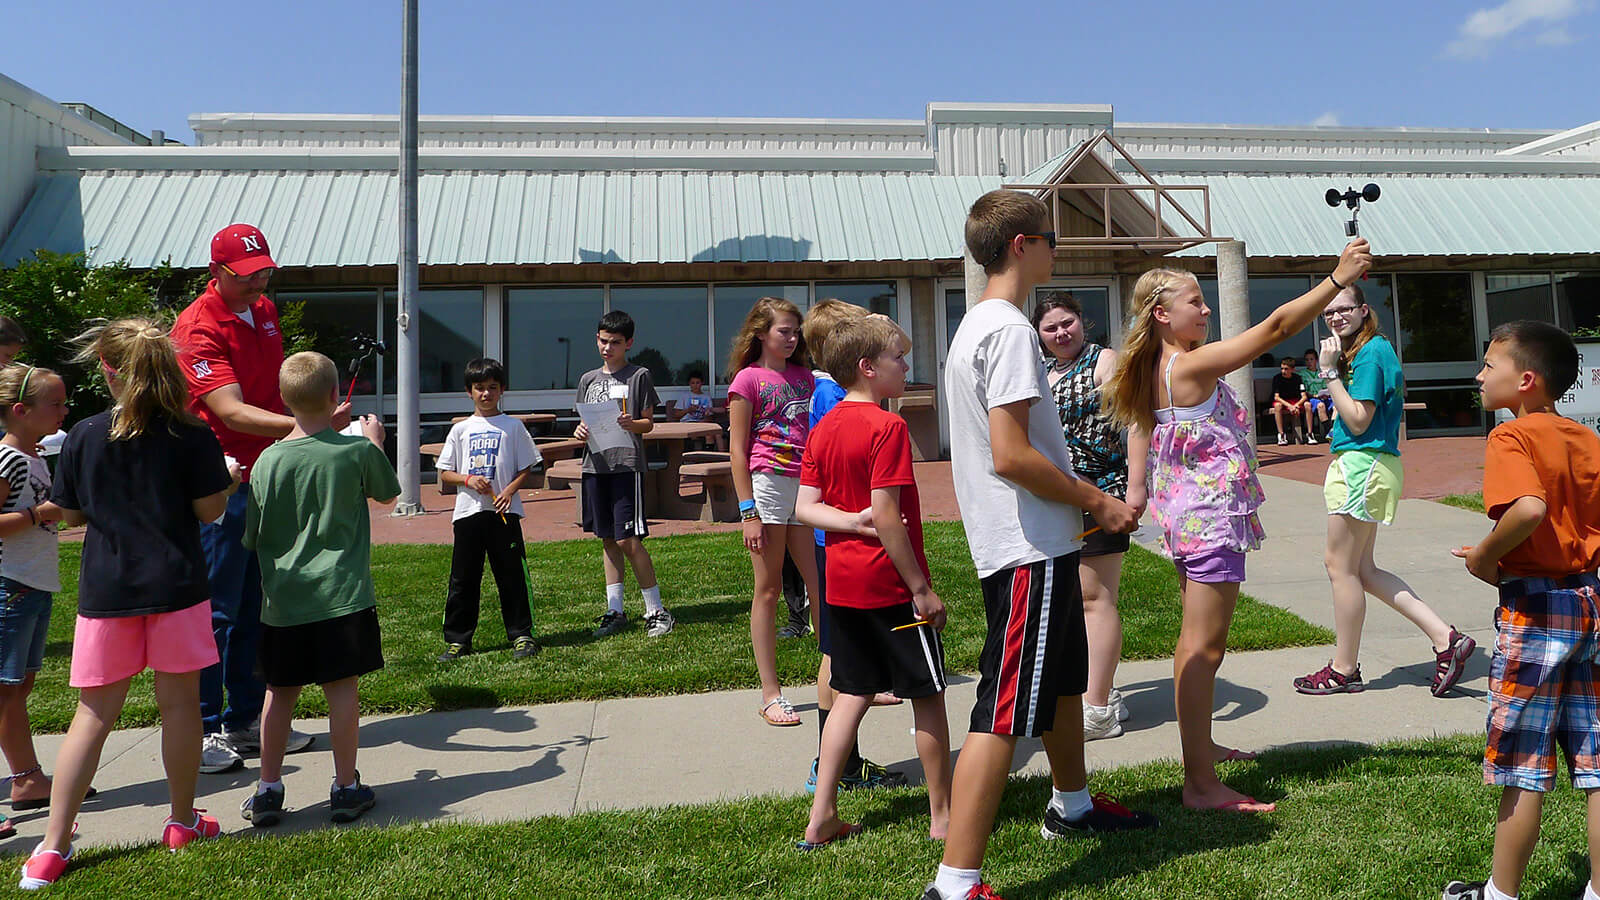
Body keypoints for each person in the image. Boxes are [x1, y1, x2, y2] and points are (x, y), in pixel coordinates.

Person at [924, 190, 1155, 900]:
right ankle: (956, 881)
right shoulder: (1010, 332)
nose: (1057, 249)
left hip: (1030, 541)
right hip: (1027, 546)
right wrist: (1100, 502)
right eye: (1050, 237)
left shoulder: (977, 326)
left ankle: (1072, 804)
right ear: (1021, 244)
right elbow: (1010, 455)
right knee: (1002, 707)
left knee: (1058, 683)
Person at [1103, 239, 1372, 814]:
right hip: (1208, 523)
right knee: (1205, 648)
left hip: (1186, 520)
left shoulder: (1156, 365)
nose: (1205, 311)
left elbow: (1144, 435)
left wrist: (1139, 490)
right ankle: (1200, 784)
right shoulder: (1189, 364)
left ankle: (1199, 752)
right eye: (1195, 302)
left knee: (1193, 644)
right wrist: (1334, 279)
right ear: (1161, 315)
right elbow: (1275, 328)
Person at [21, 320, 238, 889]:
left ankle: (51, 845)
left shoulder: (84, 436)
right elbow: (211, 511)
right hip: (178, 589)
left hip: (107, 593)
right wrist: (230, 480)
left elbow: (70, 516)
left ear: (108, 369)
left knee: (92, 717)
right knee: (180, 709)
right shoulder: (191, 434)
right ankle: (182, 820)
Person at [170, 223, 340, 773]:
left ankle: (249, 720)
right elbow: (231, 411)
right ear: (215, 272)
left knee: (257, 605)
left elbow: (273, 390)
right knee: (216, 609)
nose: (258, 283)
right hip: (220, 481)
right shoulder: (196, 329)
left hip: (265, 472)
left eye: (263, 270)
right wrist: (307, 426)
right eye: (245, 276)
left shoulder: (263, 310)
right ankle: (204, 728)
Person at [1443, 321, 1600, 900]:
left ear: (1525, 380)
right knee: (1595, 758)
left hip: (1535, 610)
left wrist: (1485, 557)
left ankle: (1500, 894)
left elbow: (1530, 510)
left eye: (1489, 364)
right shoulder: (1586, 438)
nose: (1479, 375)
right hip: (1590, 602)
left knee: (1524, 761)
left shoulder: (1511, 436)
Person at [795, 313, 950, 849]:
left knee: (850, 695)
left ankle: (822, 816)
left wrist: (848, 521)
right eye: (897, 359)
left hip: (841, 586)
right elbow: (888, 516)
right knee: (927, 696)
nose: (906, 364)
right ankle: (943, 817)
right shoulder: (889, 427)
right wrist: (921, 589)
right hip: (890, 587)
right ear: (868, 368)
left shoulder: (825, 425)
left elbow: (805, 508)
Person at [239, 352, 398, 828]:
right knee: (341, 690)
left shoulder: (266, 460)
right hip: (342, 595)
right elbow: (388, 494)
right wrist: (375, 440)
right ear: (335, 397)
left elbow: (253, 534)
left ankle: (268, 789)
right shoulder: (356, 451)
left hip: (284, 599)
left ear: (284, 400)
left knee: (278, 692)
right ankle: (346, 787)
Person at [1293, 285, 1473, 697]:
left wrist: (1328, 372)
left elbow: (1358, 419)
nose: (1336, 318)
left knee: (1339, 567)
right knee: (1363, 571)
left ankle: (1344, 668)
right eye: (1329, 313)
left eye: (1344, 310)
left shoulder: (1371, 352)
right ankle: (1446, 638)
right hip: (1368, 464)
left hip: (1363, 463)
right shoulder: (1366, 351)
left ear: (1363, 310)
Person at [800, 299, 904, 793]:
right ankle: (837, 763)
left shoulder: (827, 394)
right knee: (835, 657)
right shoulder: (835, 401)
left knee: (840, 656)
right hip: (850, 538)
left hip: (839, 533)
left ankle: (839, 763)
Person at [1033, 294, 1141, 741]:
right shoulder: (1042, 371)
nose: (1061, 333)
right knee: (1075, 602)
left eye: (1067, 323)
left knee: (1094, 598)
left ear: (1082, 321)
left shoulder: (1104, 362)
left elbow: (1136, 420)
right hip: (1059, 499)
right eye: (1051, 328)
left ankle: (1097, 709)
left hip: (1103, 495)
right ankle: (1102, 690)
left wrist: (1136, 487)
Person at [727, 296, 820, 727]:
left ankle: (844, 678)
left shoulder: (807, 378)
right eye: (784, 330)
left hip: (808, 485)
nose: (792, 338)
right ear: (760, 333)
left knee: (821, 584)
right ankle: (770, 694)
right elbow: (738, 450)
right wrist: (749, 512)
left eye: (796, 331)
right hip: (767, 485)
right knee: (768, 588)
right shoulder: (747, 380)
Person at [574, 311, 674, 639]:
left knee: (628, 539)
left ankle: (656, 609)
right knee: (607, 538)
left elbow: (649, 422)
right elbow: (583, 419)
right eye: (603, 341)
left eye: (615, 342)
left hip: (626, 466)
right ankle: (614, 609)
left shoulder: (639, 375)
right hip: (595, 465)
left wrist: (634, 424)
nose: (607, 347)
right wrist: (580, 431)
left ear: (628, 343)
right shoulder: (589, 380)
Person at [435, 358, 542, 663]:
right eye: (479, 388)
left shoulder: (513, 426)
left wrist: (508, 491)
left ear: (502, 390)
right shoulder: (461, 430)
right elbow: (445, 472)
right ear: (469, 391)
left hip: (503, 515)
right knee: (463, 578)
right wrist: (468, 479)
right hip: (468, 514)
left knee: (511, 576)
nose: (486, 394)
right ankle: (458, 640)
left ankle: (522, 634)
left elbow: (527, 468)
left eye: (492, 388)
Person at [0, 364, 69, 821]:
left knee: (19, 687)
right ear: (22, 411)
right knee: (4, 690)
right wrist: (42, 514)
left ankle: (27, 778)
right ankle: (24, 776)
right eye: (57, 404)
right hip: (9, 586)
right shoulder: (8, 460)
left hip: (33, 583)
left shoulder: (36, 456)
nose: (65, 410)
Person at [667, 372, 727, 451]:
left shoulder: (706, 397)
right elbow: (676, 414)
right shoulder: (684, 396)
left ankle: (709, 457)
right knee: (702, 432)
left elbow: (710, 417)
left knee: (709, 434)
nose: (695, 385)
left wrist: (706, 414)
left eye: (697, 383)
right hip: (687, 423)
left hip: (702, 423)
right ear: (689, 384)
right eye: (693, 383)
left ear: (701, 383)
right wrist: (688, 410)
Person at [1270, 356, 1311, 445]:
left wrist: (1296, 405)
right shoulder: (1277, 378)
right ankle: (1281, 435)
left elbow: (1304, 396)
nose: (1283, 371)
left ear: (1292, 369)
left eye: (1286, 369)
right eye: (1282, 369)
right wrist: (1290, 406)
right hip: (1283, 401)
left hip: (1295, 401)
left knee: (1308, 404)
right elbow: (1276, 397)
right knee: (1277, 406)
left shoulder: (1298, 378)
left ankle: (1310, 434)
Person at [1301, 348, 1333, 439]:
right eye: (1307, 360)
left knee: (1337, 405)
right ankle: (1329, 432)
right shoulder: (1302, 374)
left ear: (1316, 360)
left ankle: (1336, 429)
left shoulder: (1321, 373)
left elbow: (1326, 387)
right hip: (1312, 399)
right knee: (1321, 406)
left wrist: (1326, 394)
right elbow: (1303, 391)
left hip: (1324, 397)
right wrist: (1314, 395)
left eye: (1311, 359)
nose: (1309, 362)